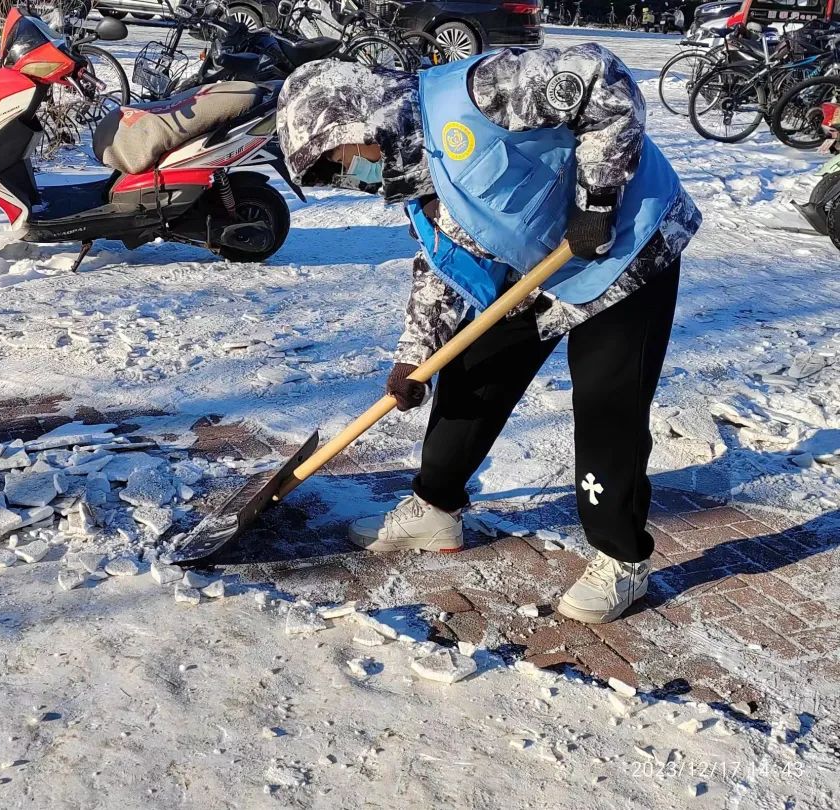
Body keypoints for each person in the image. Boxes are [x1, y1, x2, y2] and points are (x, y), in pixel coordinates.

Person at [276, 45, 701, 624]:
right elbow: (444, 267)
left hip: (629, 248)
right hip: (541, 267)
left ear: (360, 115)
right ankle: (435, 507)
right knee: (472, 369)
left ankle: (619, 556)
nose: (350, 176)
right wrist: (413, 356)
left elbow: (604, 78)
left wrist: (597, 200)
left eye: (341, 160)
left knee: (608, 403)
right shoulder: (416, 169)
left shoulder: (477, 92)